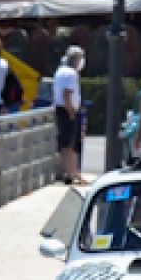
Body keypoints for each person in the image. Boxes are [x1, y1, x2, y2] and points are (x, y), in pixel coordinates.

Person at [53, 46, 87, 184]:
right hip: (68, 111)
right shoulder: (72, 74)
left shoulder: (60, 71)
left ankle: (72, 173)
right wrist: (72, 112)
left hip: (60, 109)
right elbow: (67, 94)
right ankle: (72, 173)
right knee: (70, 144)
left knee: (67, 144)